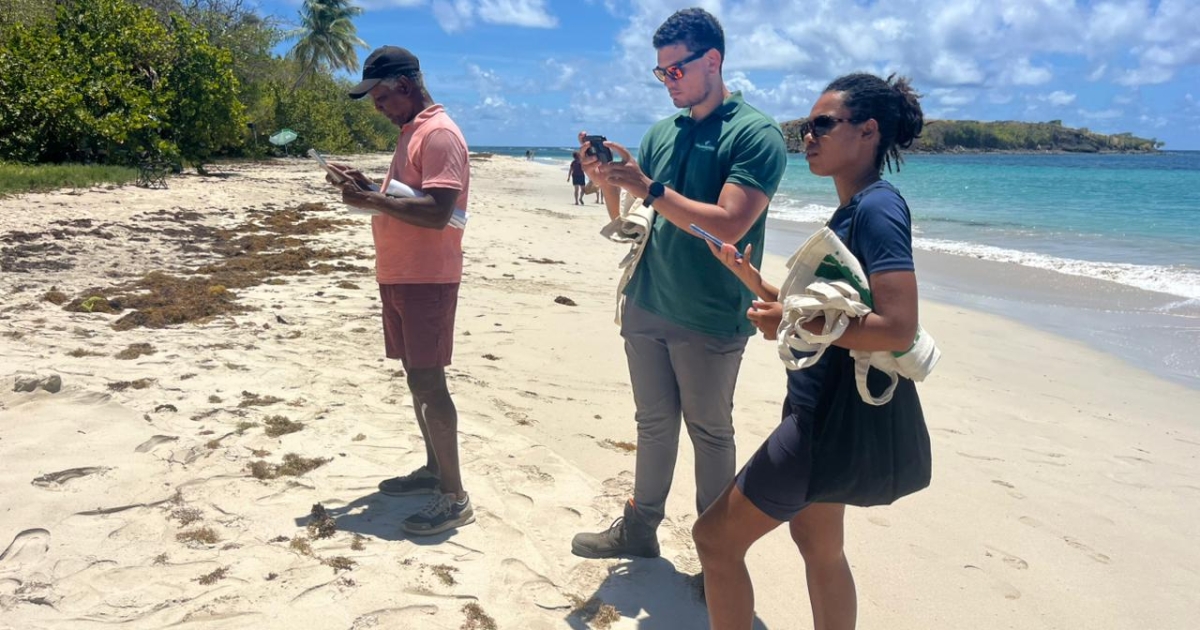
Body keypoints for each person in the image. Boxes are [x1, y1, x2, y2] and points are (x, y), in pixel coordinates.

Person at [692, 73, 929, 630]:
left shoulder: (876, 210)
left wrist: (798, 320)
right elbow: (830, 312)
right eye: (804, 127)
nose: (807, 137)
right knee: (818, 545)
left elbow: (897, 326)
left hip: (824, 422)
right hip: (820, 409)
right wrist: (754, 281)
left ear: (867, 131)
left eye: (822, 125)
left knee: (714, 541)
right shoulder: (854, 211)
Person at [571, 7, 787, 559]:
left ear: (712, 61)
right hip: (647, 298)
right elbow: (643, 214)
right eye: (660, 72)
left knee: (710, 433)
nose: (667, 80)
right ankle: (640, 529)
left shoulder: (755, 134)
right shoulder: (661, 132)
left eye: (675, 70)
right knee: (652, 422)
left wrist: (649, 188)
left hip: (711, 311)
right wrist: (611, 181)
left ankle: (718, 551)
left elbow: (730, 224)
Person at [327, 45, 474, 536]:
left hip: (427, 277)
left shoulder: (439, 134)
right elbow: (410, 196)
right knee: (417, 379)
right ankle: (434, 471)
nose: (377, 107)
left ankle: (454, 497)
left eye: (381, 97)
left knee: (430, 384)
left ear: (406, 87)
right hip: (401, 274)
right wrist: (368, 185)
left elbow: (437, 212)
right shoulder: (413, 132)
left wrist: (368, 198)